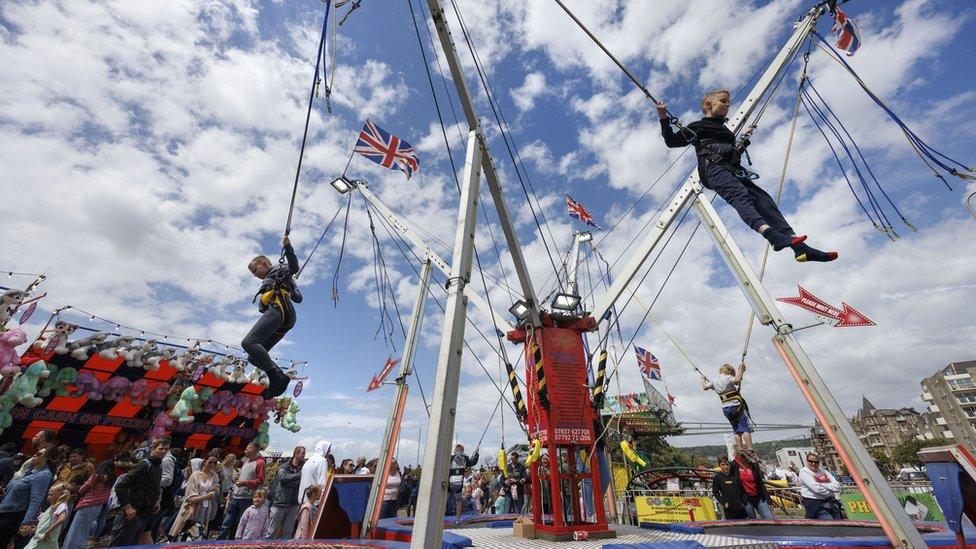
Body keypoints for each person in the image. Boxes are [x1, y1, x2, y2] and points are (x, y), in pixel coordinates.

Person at [657, 91, 837, 263]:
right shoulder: (698, 126)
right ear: (708, 104)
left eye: (729, 102)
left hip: (733, 169)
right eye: (723, 101)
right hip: (712, 169)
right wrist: (664, 117)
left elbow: (732, 154)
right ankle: (771, 235)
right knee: (740, 195)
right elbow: (672, 141)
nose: (727, 105)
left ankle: (799, 248)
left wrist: (741, 144)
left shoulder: (726, 131)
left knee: (765, 201)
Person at [243, 235, 303, 398]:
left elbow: (294, 267)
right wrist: (292, 285)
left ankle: (276, 376)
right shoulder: (280, 275)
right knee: (253, 358)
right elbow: (298, 298)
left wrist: (288, 247)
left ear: (265, 264)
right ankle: (279, 378)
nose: (255, 275)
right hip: (286, 318)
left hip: (279, 310)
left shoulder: (277, 269)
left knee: (248, 342)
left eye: (255, 270)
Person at [108, 436, 169, 547]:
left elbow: (152, 486)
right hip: (132, 514)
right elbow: (120, 486)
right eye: (161, 448)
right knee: (120, 545)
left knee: (132, 545)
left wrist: (156, 501)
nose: (163, 451)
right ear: (153, 449)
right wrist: (127, 507)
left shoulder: (158, 466)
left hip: (144, 513)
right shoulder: (144, 464)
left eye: (166, 449)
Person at [0, 447, 53, 549]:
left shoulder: (44, 475)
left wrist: (26, 522)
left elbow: (36, 500)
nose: (34, 455)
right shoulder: (29, 470)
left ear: (47, 458)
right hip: (4, 510)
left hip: (14, 514)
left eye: (38, 454)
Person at [701, 363, 754, 452]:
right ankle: (750, 448)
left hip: (726, 409)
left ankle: (740, 449)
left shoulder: (714, 381)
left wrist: (703, 379)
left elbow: (705, 387)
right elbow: (737, 380)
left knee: (736, 430)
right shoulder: (728, 378)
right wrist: (741, 369)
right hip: (737, 406)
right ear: (730, 372)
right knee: (745, 428)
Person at [218, 442, 265, 539]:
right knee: (227, 521)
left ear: (254, 449)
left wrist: (244, 483)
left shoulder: (260, 462)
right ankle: (220, 540)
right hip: (236, 496)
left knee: (242, 522)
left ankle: (236, 542)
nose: (245, 450)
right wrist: (239, 478)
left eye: (248, 448)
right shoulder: (246, 462)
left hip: (247, 497)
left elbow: (260, 480)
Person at [62, 460, 113, 549]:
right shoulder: (111, 479)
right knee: (85, 530)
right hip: (98, 506)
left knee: (76, 529)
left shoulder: (96, 477)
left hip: (87, 504)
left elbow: (82, 489)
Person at [168, 455, 220, 540]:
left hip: (206, 507)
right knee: (185, 527)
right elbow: (191, 495)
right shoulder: (195, 475)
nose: (212, 464)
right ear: (204, 462)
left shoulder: (214, 476)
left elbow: (216, 489)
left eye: (214, 463)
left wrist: (207, 496)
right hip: (192, 506)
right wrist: (207, 496)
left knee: (199, 529)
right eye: (210, 462)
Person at [267, 446, 305, 539]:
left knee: (288, 531)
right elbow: (283, 478)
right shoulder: (284, 466)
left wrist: (291, 480)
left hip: (293, 503)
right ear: (296, 454)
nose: (304, 455)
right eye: (302, 453)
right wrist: (298, 475)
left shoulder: (304, 467)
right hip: (280, 501)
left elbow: (301, 482)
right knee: (272, 530)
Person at [23, 482, 71, 549]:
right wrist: (33, 529)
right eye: (49, 495)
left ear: (61, 495)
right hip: (39, 538)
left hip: (45, 538)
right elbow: (44, 523)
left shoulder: (62, 505)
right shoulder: (52, 507)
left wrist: (48, 531)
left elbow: (61, 519)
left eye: (51, 494)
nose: (49, 497)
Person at [798, 453, 843, 519]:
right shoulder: (804, 472)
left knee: (839, 524)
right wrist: (830, 492)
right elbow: (817, 489)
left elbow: (837, 486)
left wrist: (823, 485)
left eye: (816, 462)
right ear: (807, 461)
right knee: (830, 525)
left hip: (831, 503)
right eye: (811, 461)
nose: (813, 463)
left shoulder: (823, 471)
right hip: (817, 505)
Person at [732, 451, 775, 519]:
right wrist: (739, 452)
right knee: (751, 521)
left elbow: (760, 483)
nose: (742, 459)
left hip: (758, 496)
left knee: (769, 518)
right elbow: (729, 465)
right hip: (746, 499)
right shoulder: (735, 466)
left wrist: (768, 499)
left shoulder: (753, 466)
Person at [447, 444, 479, 519]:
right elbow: (473, 462)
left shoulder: (451, 458)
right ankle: (458, 519)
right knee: (458, 501)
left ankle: (441, 516)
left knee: (446, 498)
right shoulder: (465, 458)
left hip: (451, 480)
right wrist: (476, 453)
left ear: (455, 451)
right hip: (459, 481)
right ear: (462, 451)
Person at [298, 440, 329, 505]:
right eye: (328, 449)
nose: (329, 452)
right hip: (313, 501)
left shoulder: (309, 460)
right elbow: (321, 483)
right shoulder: (322, 460)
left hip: (303, 498)